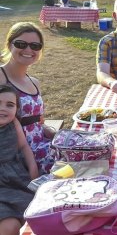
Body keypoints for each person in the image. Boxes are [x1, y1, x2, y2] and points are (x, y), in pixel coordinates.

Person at [0, 22, 56, 174]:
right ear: (9, 45)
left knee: (84, 150)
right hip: (17, 156)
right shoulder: (1, 78)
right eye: (21, 44)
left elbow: (37, 121)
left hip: (42, 144)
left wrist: (48, 130)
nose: (28, 50)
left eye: (35, 46)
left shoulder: (34, 82)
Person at [0, 84, 38, 235]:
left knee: (35, 211)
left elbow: (23, 147)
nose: (3, 108)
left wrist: (33, 169)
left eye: (10, 105)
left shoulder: (13, 123)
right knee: (8, 226)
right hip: (2, 188)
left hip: (18, 178)